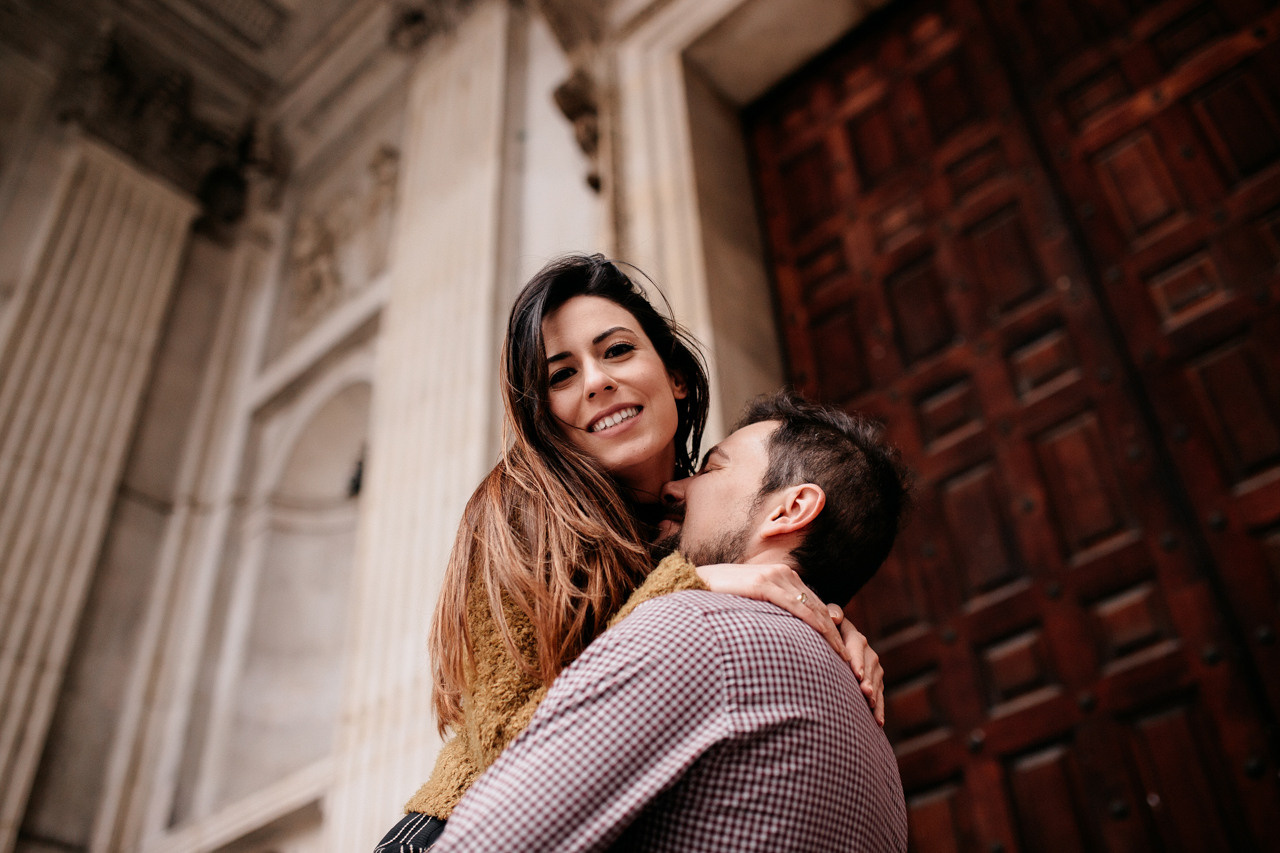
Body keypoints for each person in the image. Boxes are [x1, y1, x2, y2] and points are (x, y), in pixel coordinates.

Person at [374, 257, 885, 851]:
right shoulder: (523, 511)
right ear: (546, 418)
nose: (594, 382)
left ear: (675, 376)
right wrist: (687, 589)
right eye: (561, 376)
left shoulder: (699, 512)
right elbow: (508, 742)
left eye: (616, 351)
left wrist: (831, 625)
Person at [430, 391, 911, 851]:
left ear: (790, 508)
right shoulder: (880, 755)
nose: (673, 488)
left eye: (711, 468)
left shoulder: (698, 628)